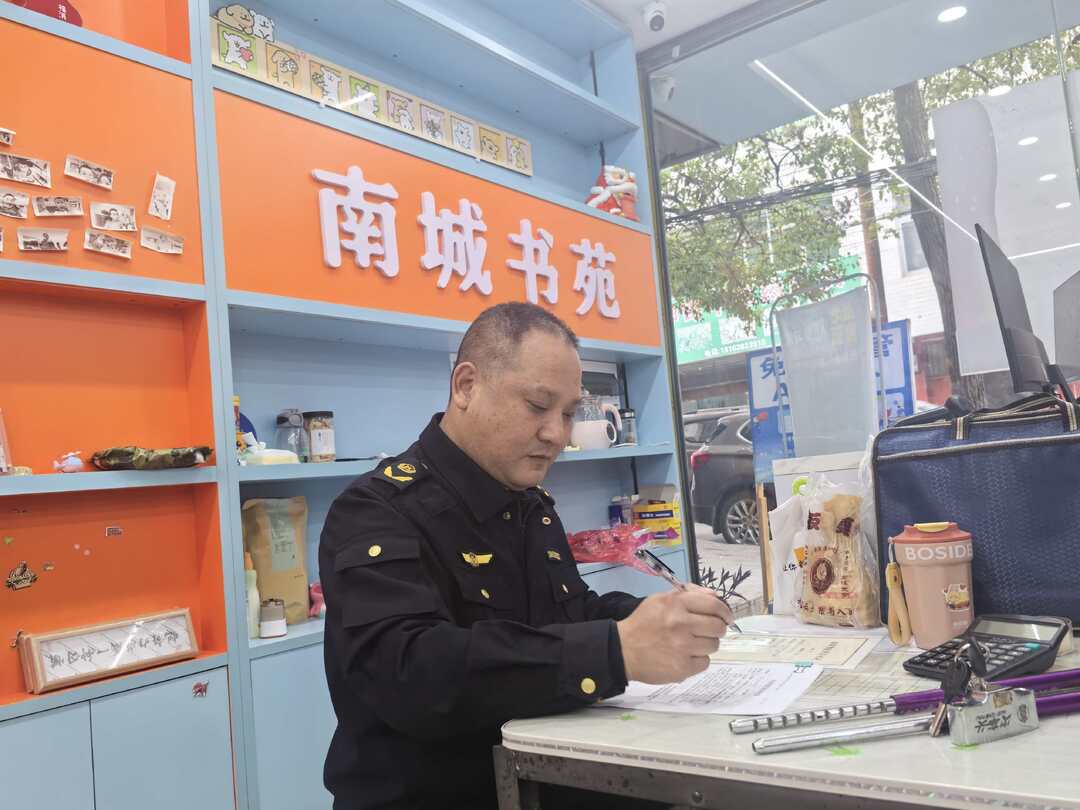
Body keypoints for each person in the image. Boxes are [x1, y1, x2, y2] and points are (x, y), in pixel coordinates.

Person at [320, 302, 734, 809]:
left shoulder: (529, 504)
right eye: (538, 406)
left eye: (569, 413)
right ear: (466, 386)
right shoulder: (375, 511)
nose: (557, 434)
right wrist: (615, 650)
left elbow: (566, 610)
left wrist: (652, 619)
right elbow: (412, 672)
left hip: (545, 780)